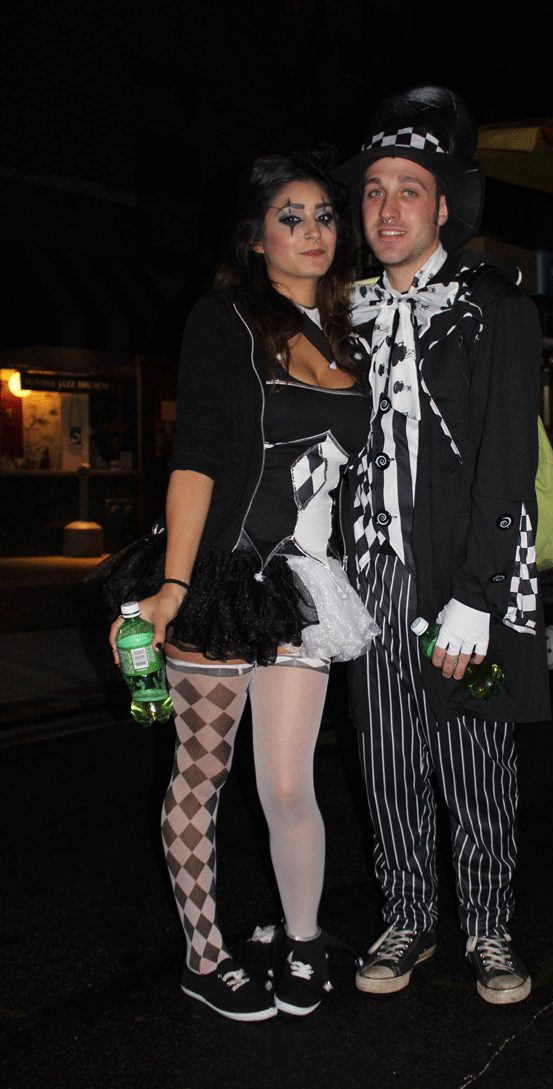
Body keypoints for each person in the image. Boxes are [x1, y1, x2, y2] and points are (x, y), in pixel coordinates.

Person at [104, 154, 376, 1021]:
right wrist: (174, 584)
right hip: (222, 577)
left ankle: (302, 939)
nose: (312, 231)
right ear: (256, 237)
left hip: (303, 584)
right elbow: (197, 458)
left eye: (325, 215)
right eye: (290, 217)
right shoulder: (223, 320)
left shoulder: (351, 335)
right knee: (202, 774)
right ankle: (205, 952)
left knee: (289, 784)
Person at [334, 87, 550, 1004]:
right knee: (386, 759)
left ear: (445, 206)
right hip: (366, 581)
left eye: (408, 190)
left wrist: (478, 589)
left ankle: (490, 926)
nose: (387, 208)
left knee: (475, 757)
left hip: (465, 582)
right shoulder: (339, 313)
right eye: (373, 190)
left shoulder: (493, 305)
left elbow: (507, 462)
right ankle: (409, 915)